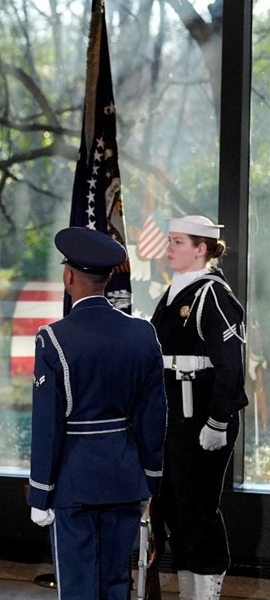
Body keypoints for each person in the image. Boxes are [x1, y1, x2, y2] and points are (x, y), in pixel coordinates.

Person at [27, 227, 166, 600]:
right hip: (124, 478)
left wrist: (40, 494)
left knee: (78, 589)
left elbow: (48, 426)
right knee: (115, 585)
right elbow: (153, 419)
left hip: (74, 482)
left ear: (68, 276)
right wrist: (150, 480)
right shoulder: (143, 334)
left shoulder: (53, 339)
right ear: (108, 278)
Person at [150, 215, 247, 600]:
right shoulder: (176, 291)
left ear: (201, 249)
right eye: (171, 240)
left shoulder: (213, 295)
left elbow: (231, 367)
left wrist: (219, 421)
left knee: (197, 511)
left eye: (177, 241)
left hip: (201, 415)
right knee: (174, 510)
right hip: (175, 415)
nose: (169, 248)